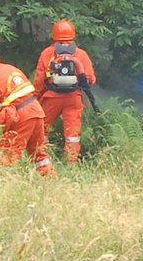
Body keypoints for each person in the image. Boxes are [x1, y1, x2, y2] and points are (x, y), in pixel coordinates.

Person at [0, 46, 55, 176]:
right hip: (36, 111)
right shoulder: (9, 69)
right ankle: (50, 178)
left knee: (7, 153)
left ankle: (5, 183)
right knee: (38, 152)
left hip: (21, 117)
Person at [35, 19, 98, 162]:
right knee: (73, 135)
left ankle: (40, 158)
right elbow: (91, 80)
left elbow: (39, 80)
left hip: (51, 97)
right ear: (73, 34)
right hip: (73, 98)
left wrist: (36, 97)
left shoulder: (47, 53)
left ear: (54, 35)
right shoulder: (81, 54)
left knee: (42, 130)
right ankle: (71, 163)